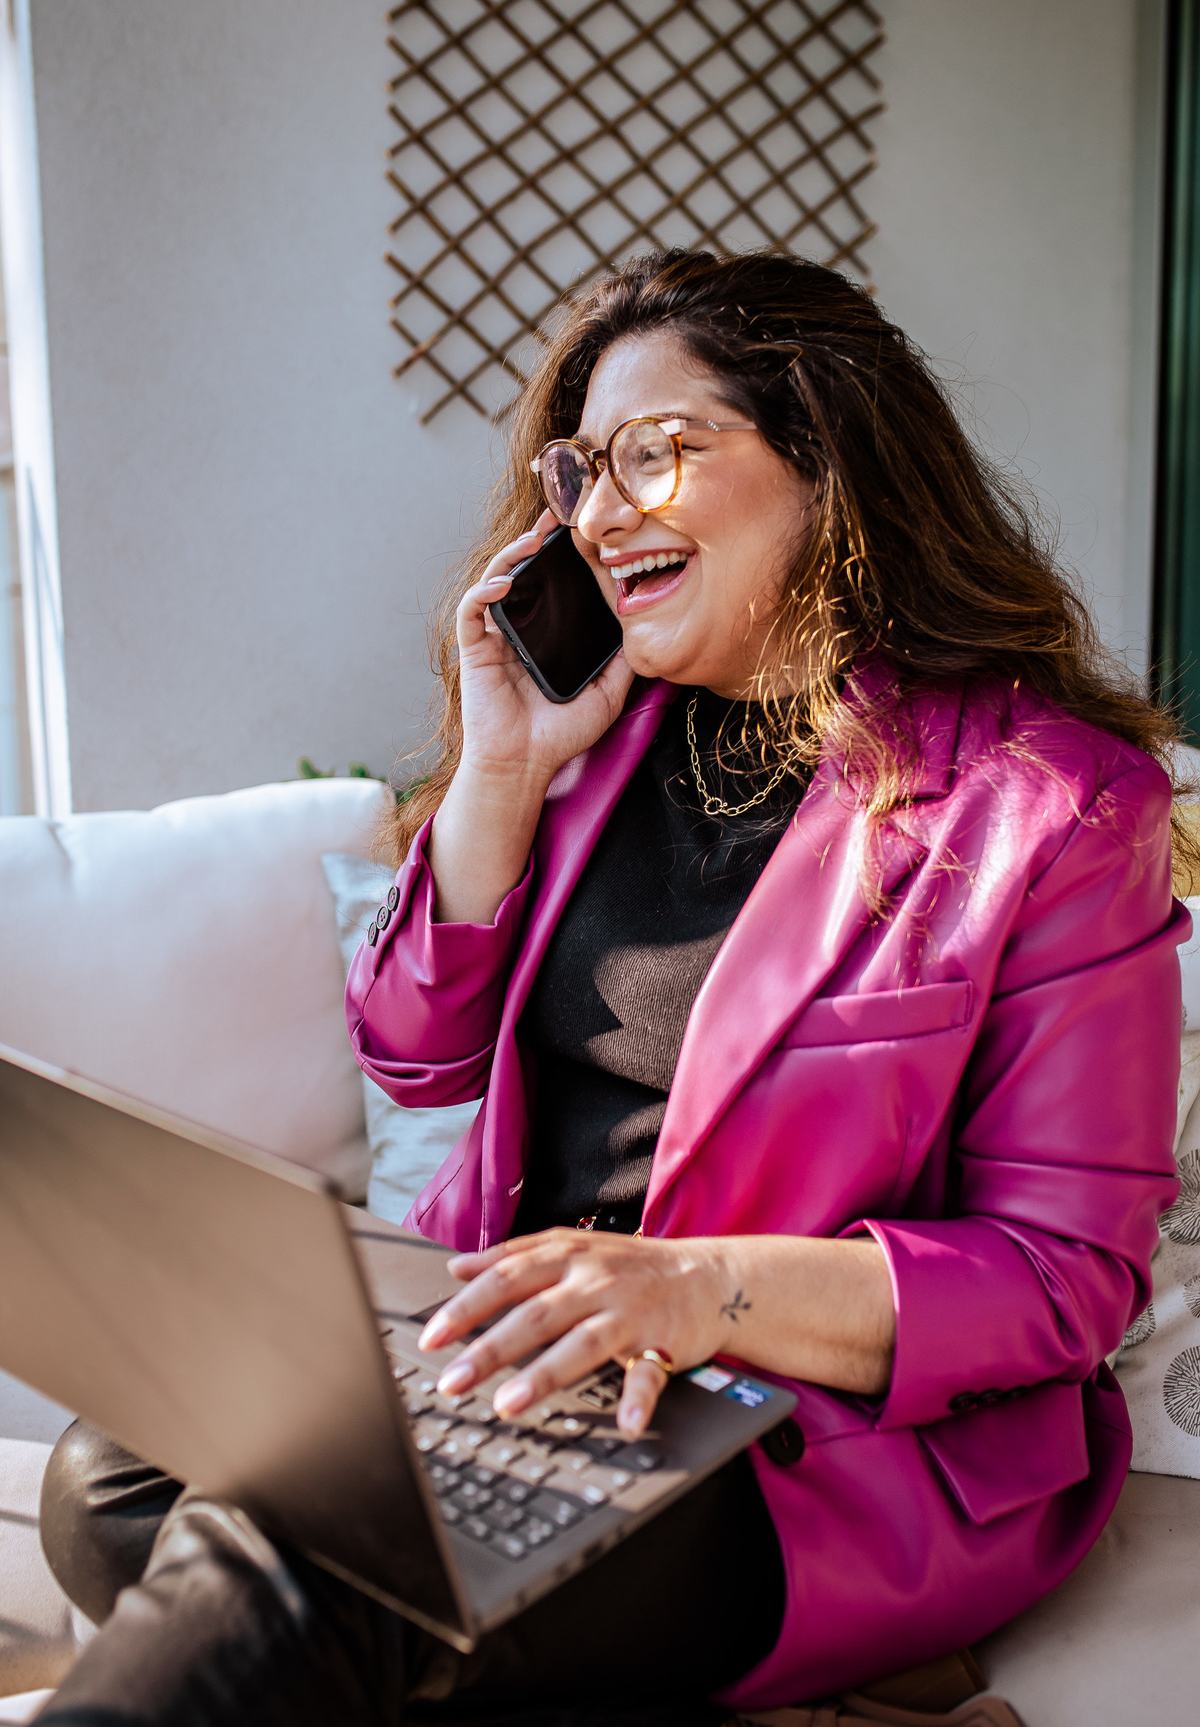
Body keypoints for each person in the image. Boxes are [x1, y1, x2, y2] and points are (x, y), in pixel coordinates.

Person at [37, 249, 1186, 1725]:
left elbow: (1062, 1279)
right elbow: (412, 1051)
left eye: (658, 452)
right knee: (107, 1479)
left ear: (827, 462)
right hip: (530, 1354)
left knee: (310, 1551)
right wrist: (501, 771)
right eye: (581, 470)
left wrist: (695, 1289)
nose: (596, 513)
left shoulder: (1051, 803)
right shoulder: (593, 737)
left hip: (794, 1430)